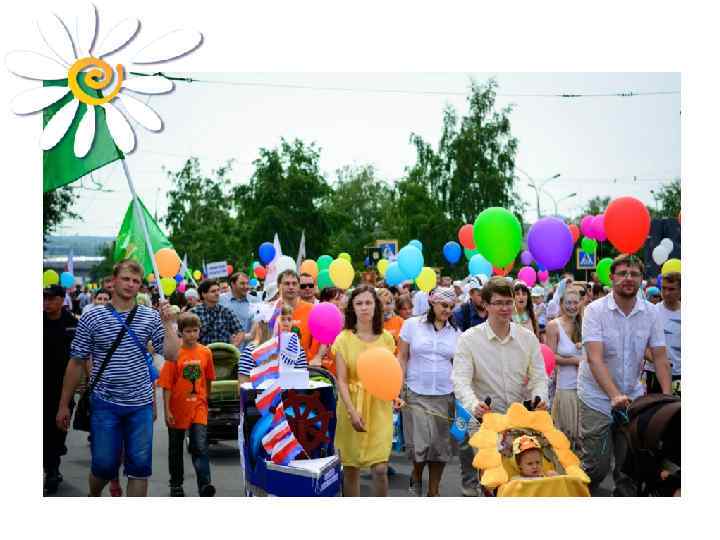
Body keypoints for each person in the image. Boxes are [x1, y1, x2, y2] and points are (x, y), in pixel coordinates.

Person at [56, 260, 181, 497]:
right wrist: (64, 404)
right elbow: (76, 362)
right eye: (125, 279)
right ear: (113, 281)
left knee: (139, 470)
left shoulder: (150, 317)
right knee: (104, 467)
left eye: (135, 281)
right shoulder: (92, 317)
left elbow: (173, 355)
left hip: (140, 405)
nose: (130, 284)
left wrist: (167, 324)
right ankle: (94, 495)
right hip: (105, 404)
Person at [578, 254, 672, 496]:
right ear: (611, 278)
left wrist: (667, 399)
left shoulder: (651, 313)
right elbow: (595, 358)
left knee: (629, 470)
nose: (628, 278)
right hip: (596, 399)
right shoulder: (594, 311)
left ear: (641, 279)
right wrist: (614, 395)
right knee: (595, 468)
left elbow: (660, 358)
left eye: (634, 274)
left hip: (632, 400)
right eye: (622, 273)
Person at [452, 277, 548, 495]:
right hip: (482, 421)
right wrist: (474, 404)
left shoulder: (527, 338)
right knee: (490, 481)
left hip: (519, 420)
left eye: (508, 302)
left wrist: (540, 398)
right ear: (485, 305)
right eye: (498, 303)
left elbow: (539, 377)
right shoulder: (469, 339)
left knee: (519, 479)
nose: (505, 308)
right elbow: (460, 380)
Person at [332, 285, 397, 497]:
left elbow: (389, 373)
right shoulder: (343, 339)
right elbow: (341, 380)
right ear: (352, 308)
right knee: (351, 469)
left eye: (368, 302)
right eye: (359, 303)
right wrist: (352, 412)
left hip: (379, 407)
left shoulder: (386, 338)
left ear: (376, 306)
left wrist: (395, 395)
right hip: (351, 404)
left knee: (380, 468)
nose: (364, 307)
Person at [398, 287, 461, 496]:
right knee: (421, 444)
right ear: (432, 303)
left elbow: (459, 364)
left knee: (440, 446)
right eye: (444, 305)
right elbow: (402, 357)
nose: (447, 310)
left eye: (451, 307)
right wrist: (398, 387)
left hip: (444, 395)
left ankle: (434, 491)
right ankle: (416, 475)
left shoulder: (456, 332)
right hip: (416, 392)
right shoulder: (411, 325)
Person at [157, 312, 216, 496]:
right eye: (188, 331)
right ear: (180, 333)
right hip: (177, 408)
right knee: (175, 448)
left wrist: (206, 398)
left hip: (198, 406)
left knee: (200, 445)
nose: (192, 334)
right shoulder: (174, 355)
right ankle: (176, 484)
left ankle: (205, 484)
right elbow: (166, 385)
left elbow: (208, 378)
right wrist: (167, 410)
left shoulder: (206, 352)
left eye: (195, 330)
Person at [44, 284, 78, 494]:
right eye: (44, 299)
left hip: (64, 387)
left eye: (51, 299)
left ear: (61, 300)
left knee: (58, 429)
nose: (47, 303)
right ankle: (51, 469)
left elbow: (82, 356)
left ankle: (53, 464)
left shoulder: (71, 324)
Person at [544, 287, 584, 450]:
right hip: (566, 388)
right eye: (568, 303)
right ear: (561, 304)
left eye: (575, 303)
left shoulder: (586, 324)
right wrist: (574, 361)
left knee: (584, 439)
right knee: (566, 438)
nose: (572, 307)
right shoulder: (554, 326)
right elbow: (550, 356)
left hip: (586, 388)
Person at [644, 272, 681, 394]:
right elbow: (642, 346)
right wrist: (659, 361)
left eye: (671, 289)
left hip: (679, 375)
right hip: (655, 373)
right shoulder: (651, 312)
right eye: (664, 288)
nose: (666, 293)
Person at [270, 270, 314, 356]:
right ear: (279, 286)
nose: (291, 287)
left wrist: (316, 357)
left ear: (298, 286)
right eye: (287, 283)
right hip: (275, 361)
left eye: (294, 284)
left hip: (303, 362)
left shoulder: (311, 309)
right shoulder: (270, 310)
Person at [192, 280, 243, 347]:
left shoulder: (226, 311)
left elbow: (240, 331)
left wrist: (232, 348)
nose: (217, 293)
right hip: (203, 352)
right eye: (213, 291)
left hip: (223, 351)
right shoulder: (195, 313)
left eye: (218, 290)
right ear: (204, 294)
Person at [308, 287, 345, 374]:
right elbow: (325, 340)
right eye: (337, 299)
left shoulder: (342, 319)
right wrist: (318, 357)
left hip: (335, 369)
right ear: (325, 302)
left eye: (340, 299)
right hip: (317, 367)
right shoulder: (316, 317)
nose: (340, 302)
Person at [219, 272, 256, 350]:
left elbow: (256, 331)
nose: (246, 286)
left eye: (247, 283)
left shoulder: (255, 301)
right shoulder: (220, 300)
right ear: (233, 284)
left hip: (247, 353)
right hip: (224, 351)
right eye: (242, 283)